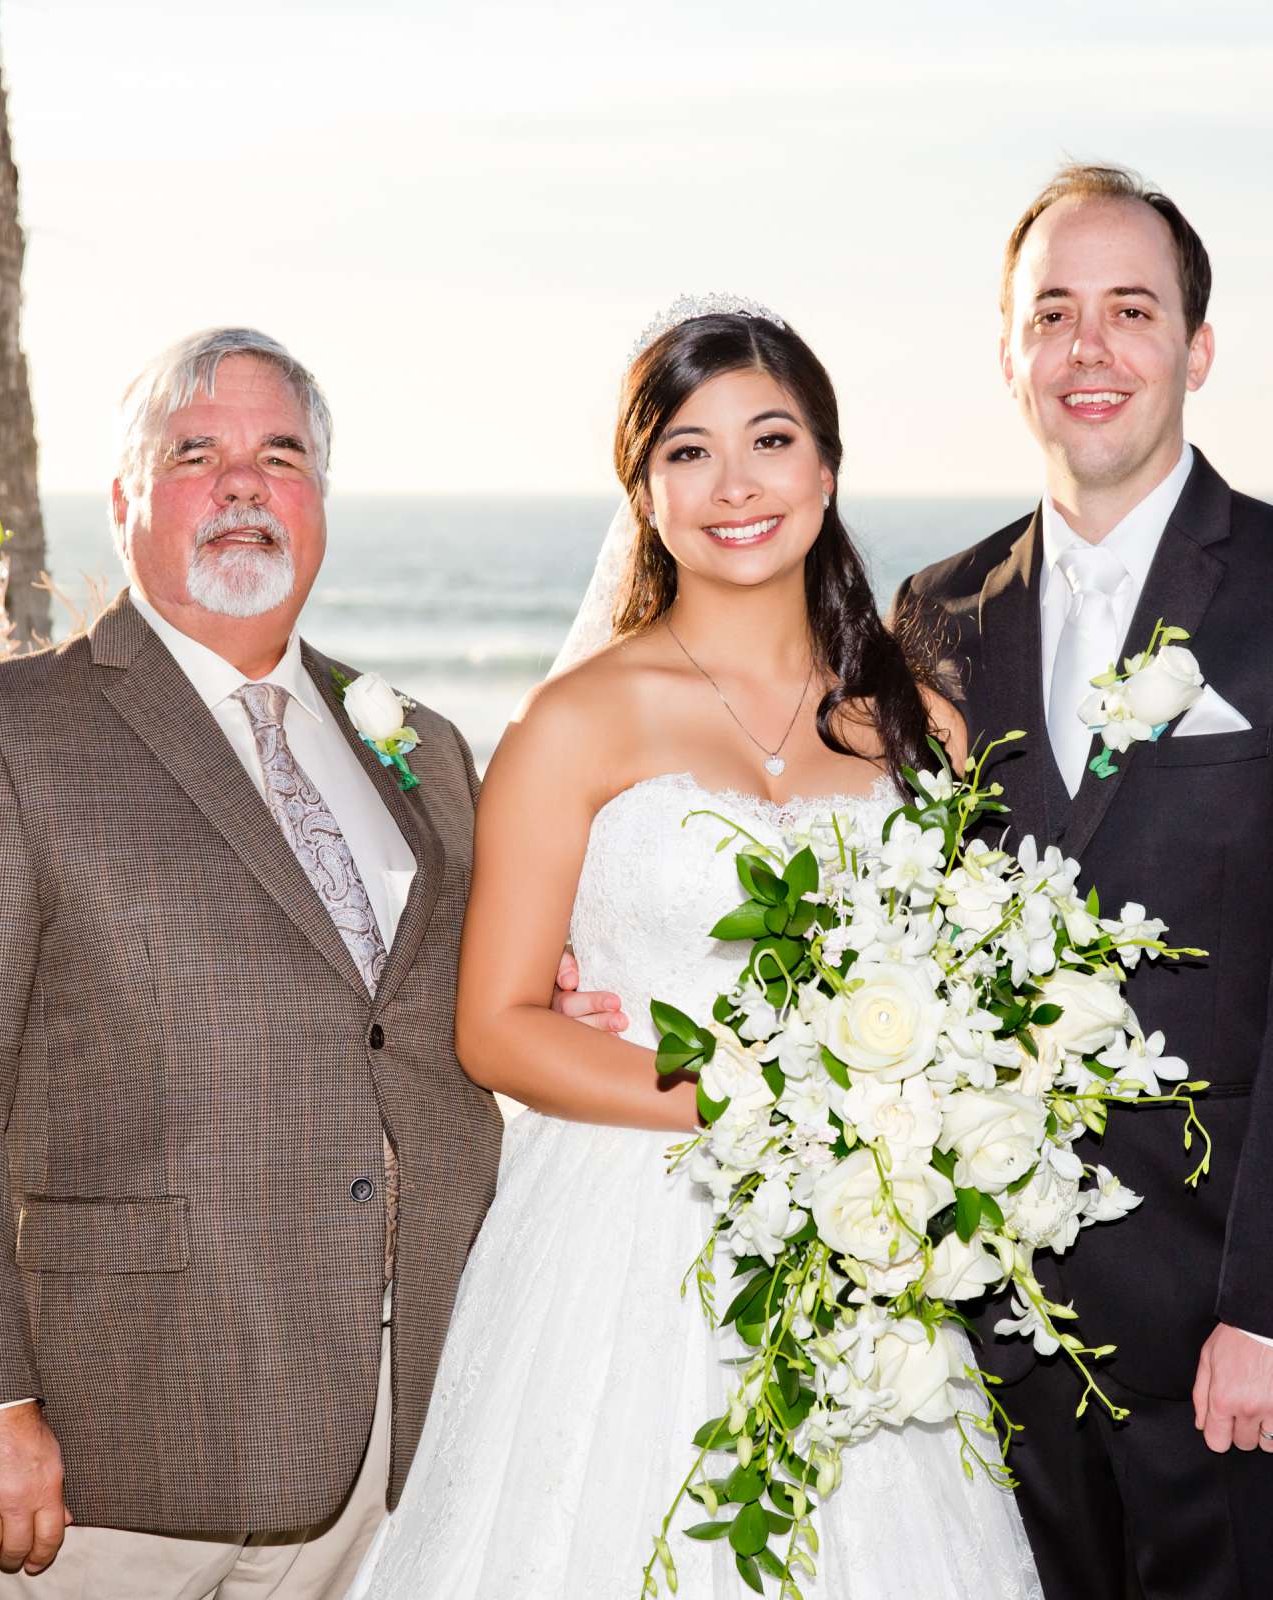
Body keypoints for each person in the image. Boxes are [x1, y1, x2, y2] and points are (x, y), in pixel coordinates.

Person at [0, 327, 613, 1599]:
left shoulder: (420, 745)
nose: (244, 483)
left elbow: (457, 1014)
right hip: (121, 1456)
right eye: (196, 452)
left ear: (319, 501)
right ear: (126, 500)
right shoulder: (2, 734)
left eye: (282, 455)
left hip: (405, 1443)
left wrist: (574, 1005)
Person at [356, 300, 1043, 1599]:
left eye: (771, 440)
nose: (736, 484)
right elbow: (497, 1025)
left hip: (859, 1247)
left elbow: (969, 987)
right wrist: (740, 1092)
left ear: (826, 469)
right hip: (623, 1240)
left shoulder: (921, 725)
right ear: (644, 490)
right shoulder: (577, 722)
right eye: (688, 450)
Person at [896, 164, 1273, 1599]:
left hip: (1230, 1335)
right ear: (1008, 354)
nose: (1091, 347)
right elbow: (889, 933)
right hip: (989, 1340)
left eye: (1131, 310)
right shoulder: (934, 618)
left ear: (1196, 349)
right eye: (1053, 313)